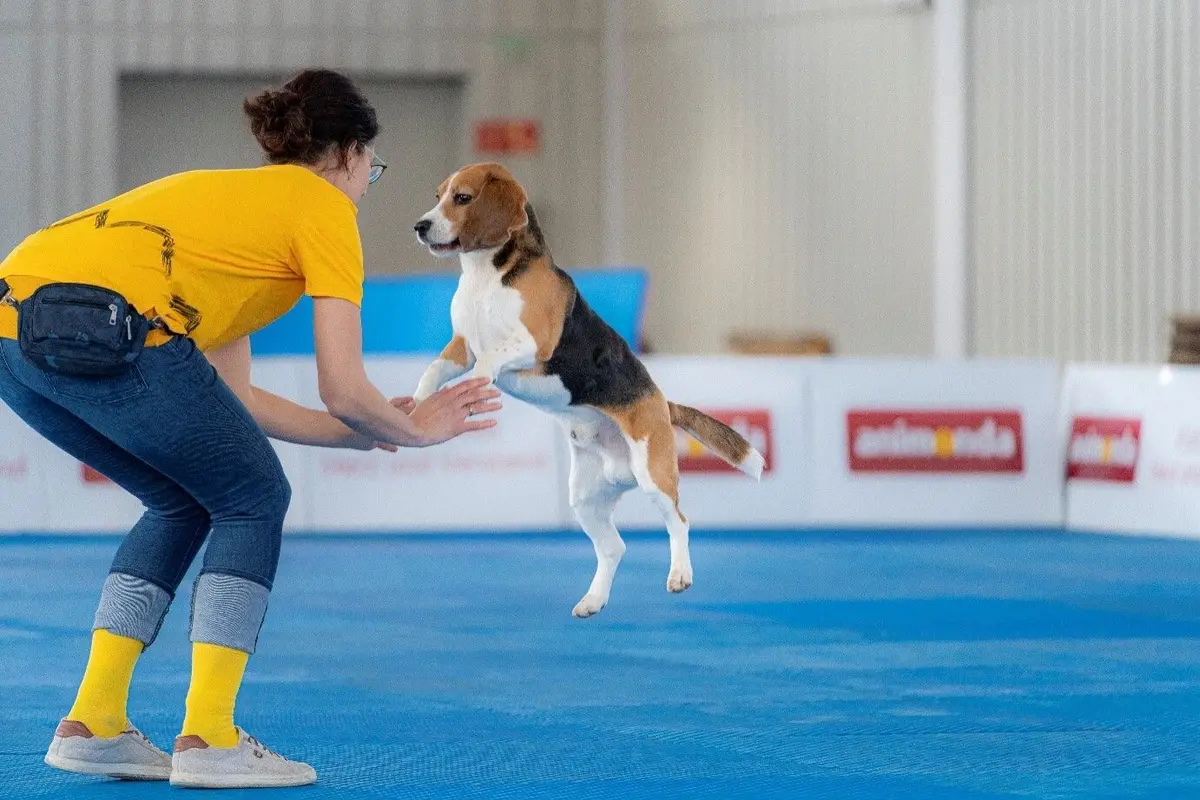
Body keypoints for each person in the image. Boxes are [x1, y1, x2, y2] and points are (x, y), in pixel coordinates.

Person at [0, 68, 500, 789]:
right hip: (112, 323)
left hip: (17, 335)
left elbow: (232, 404)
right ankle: (209, 733)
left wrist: (366, 432)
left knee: (185, 498)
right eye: (373, 170)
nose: (367, 185)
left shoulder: (225, 208)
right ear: (350, 154)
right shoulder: (322, 208)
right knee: (253, 499)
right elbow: (343, 384)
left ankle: (96, 720)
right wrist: (415, 428)